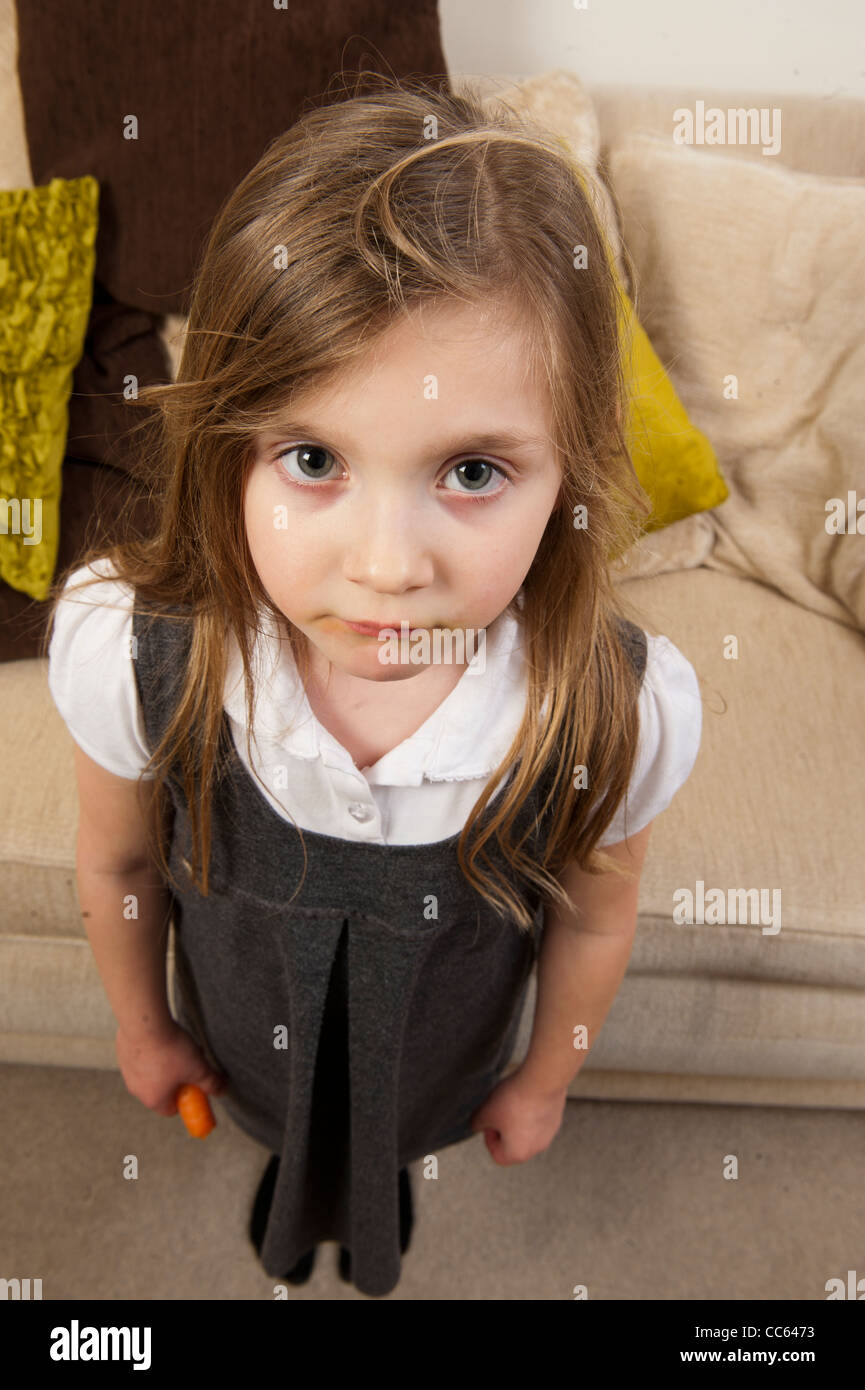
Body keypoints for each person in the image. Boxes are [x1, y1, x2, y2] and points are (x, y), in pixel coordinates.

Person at [45, 73, 702, 1299]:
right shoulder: (131, 650)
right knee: (283, 1142)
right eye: (312, 459)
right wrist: (143, 1027)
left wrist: (542, 1077)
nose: (390, 569)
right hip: (242, 1047)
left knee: (384, 1153)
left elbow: (595, 916)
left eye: (468, 470)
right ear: (227, 451)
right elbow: (122, 866)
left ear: (569, 474)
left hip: (440, 1067)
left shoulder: (619, 711)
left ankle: (379, 1189)